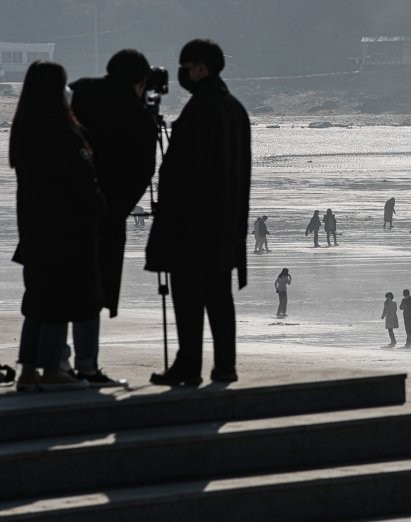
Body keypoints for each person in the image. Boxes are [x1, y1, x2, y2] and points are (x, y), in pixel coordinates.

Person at [146, 39, 251, 386]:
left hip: (191, 226)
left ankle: (188, 365)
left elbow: (177, 173)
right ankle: (225, 365)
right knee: (220, 298)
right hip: (224, 223)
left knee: (188, 300)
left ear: (201, 68)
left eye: (187, 66)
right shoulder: (235, 109)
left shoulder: (199, 109)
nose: (183, 73)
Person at [69, 49, 158, 387]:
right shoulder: (137, 114)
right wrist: (118, 207)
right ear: (139, 80)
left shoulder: (78, 92)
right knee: (93, 290)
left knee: (57, 286)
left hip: (63, 207)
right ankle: (87, 365)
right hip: (105, 213)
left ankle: (52, 363)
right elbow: (144, 171)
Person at [11, 61, 101, 392]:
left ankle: (29, 369)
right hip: (66, 233)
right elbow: (83, 185)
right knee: (59, 302)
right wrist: (98, 204)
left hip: (33, 232)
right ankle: (51, 368)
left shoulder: (23, 133)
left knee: (36, 301)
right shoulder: (63, 134)